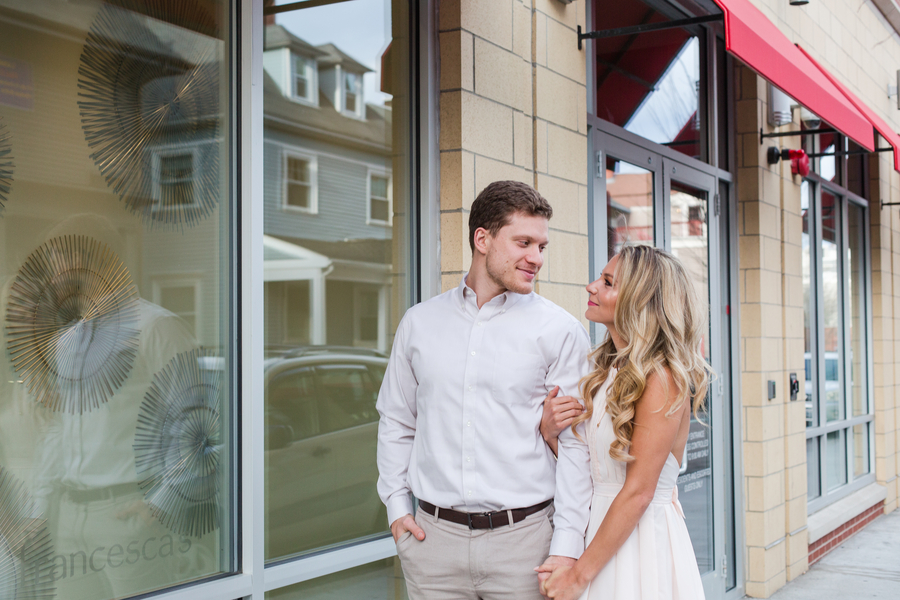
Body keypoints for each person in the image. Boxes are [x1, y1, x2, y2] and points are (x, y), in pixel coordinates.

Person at [376, 180, 593, 600]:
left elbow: (576, 450)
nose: (536, 258)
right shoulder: (419, 323)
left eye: (542, 246)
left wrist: (566, 545)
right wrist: (397, 509)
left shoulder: (561, 331)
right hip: (431, 545)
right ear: (483, 239)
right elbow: (397, 420)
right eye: (524, 242)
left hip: (526, 545)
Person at [536, 244, 711, 600]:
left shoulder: (661, 377)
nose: (591, 287)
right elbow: (597, 466)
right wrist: (551, 434)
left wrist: (577, 576)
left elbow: (639, 492)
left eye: (607, 282)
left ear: (638, 300)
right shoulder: (610, 370)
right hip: (602, 534)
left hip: (640, 543)